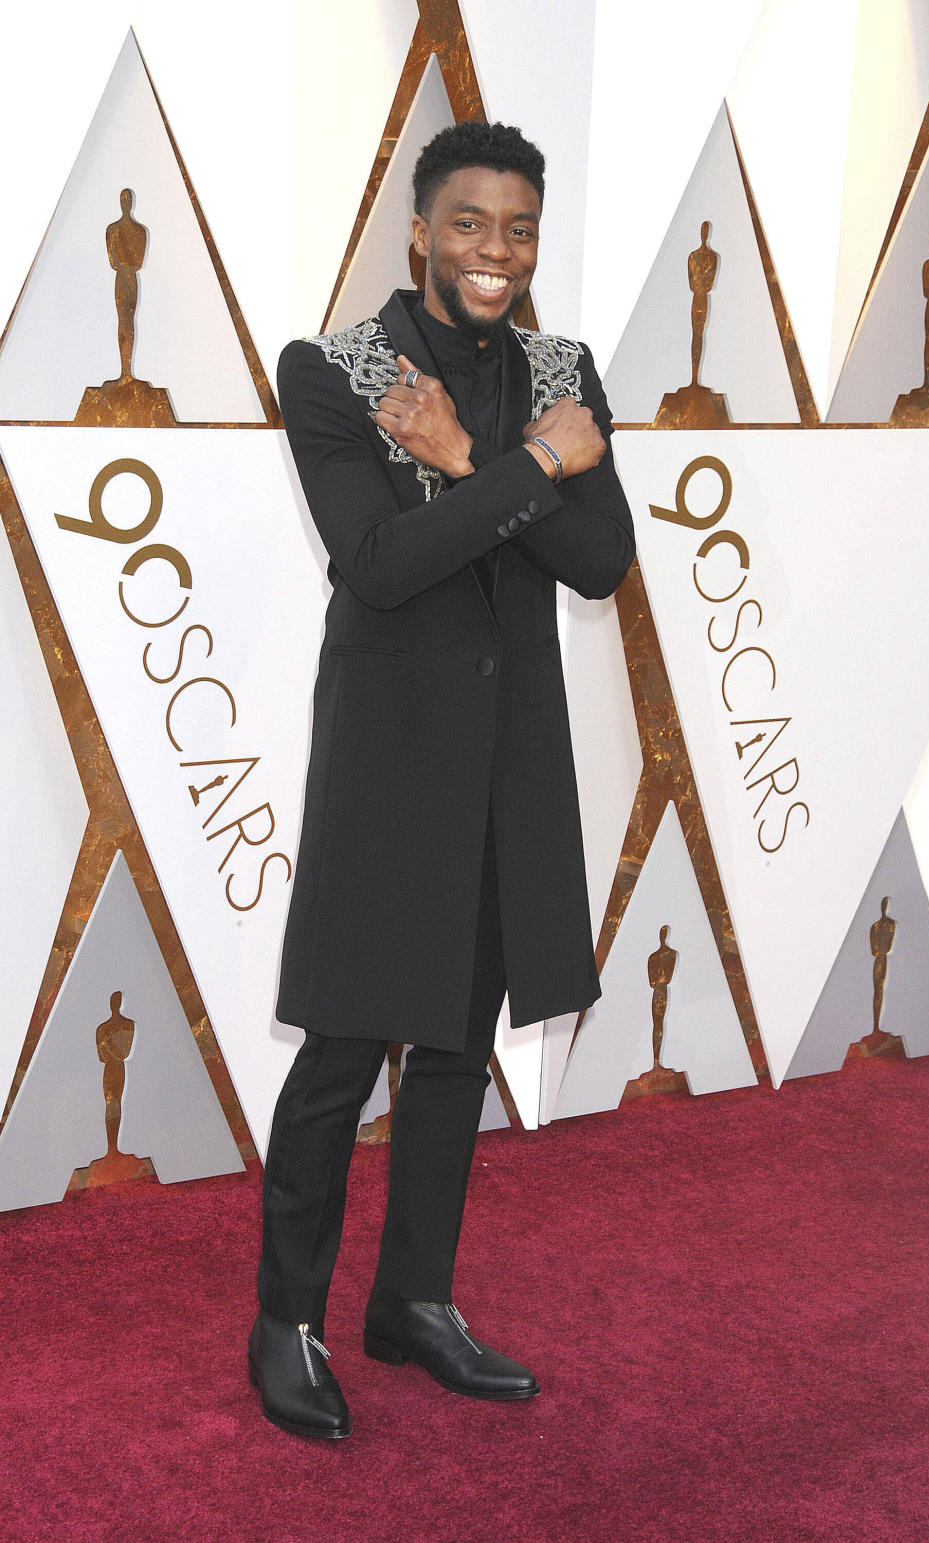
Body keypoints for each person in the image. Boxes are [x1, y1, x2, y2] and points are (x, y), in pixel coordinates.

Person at [249, 121, 636, 1439]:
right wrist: (529, 468)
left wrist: (481, 468)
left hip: (510, 755)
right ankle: (286, 1319)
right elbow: (378, 563)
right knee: (344, 1050)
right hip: (388, 754)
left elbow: (599, 562)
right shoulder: (334, 371)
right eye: (469, 223)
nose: (496, 252)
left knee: (459, 1051)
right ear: (420, 231)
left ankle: (412, 1303)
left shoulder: (562, 369)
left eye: (519, 229)